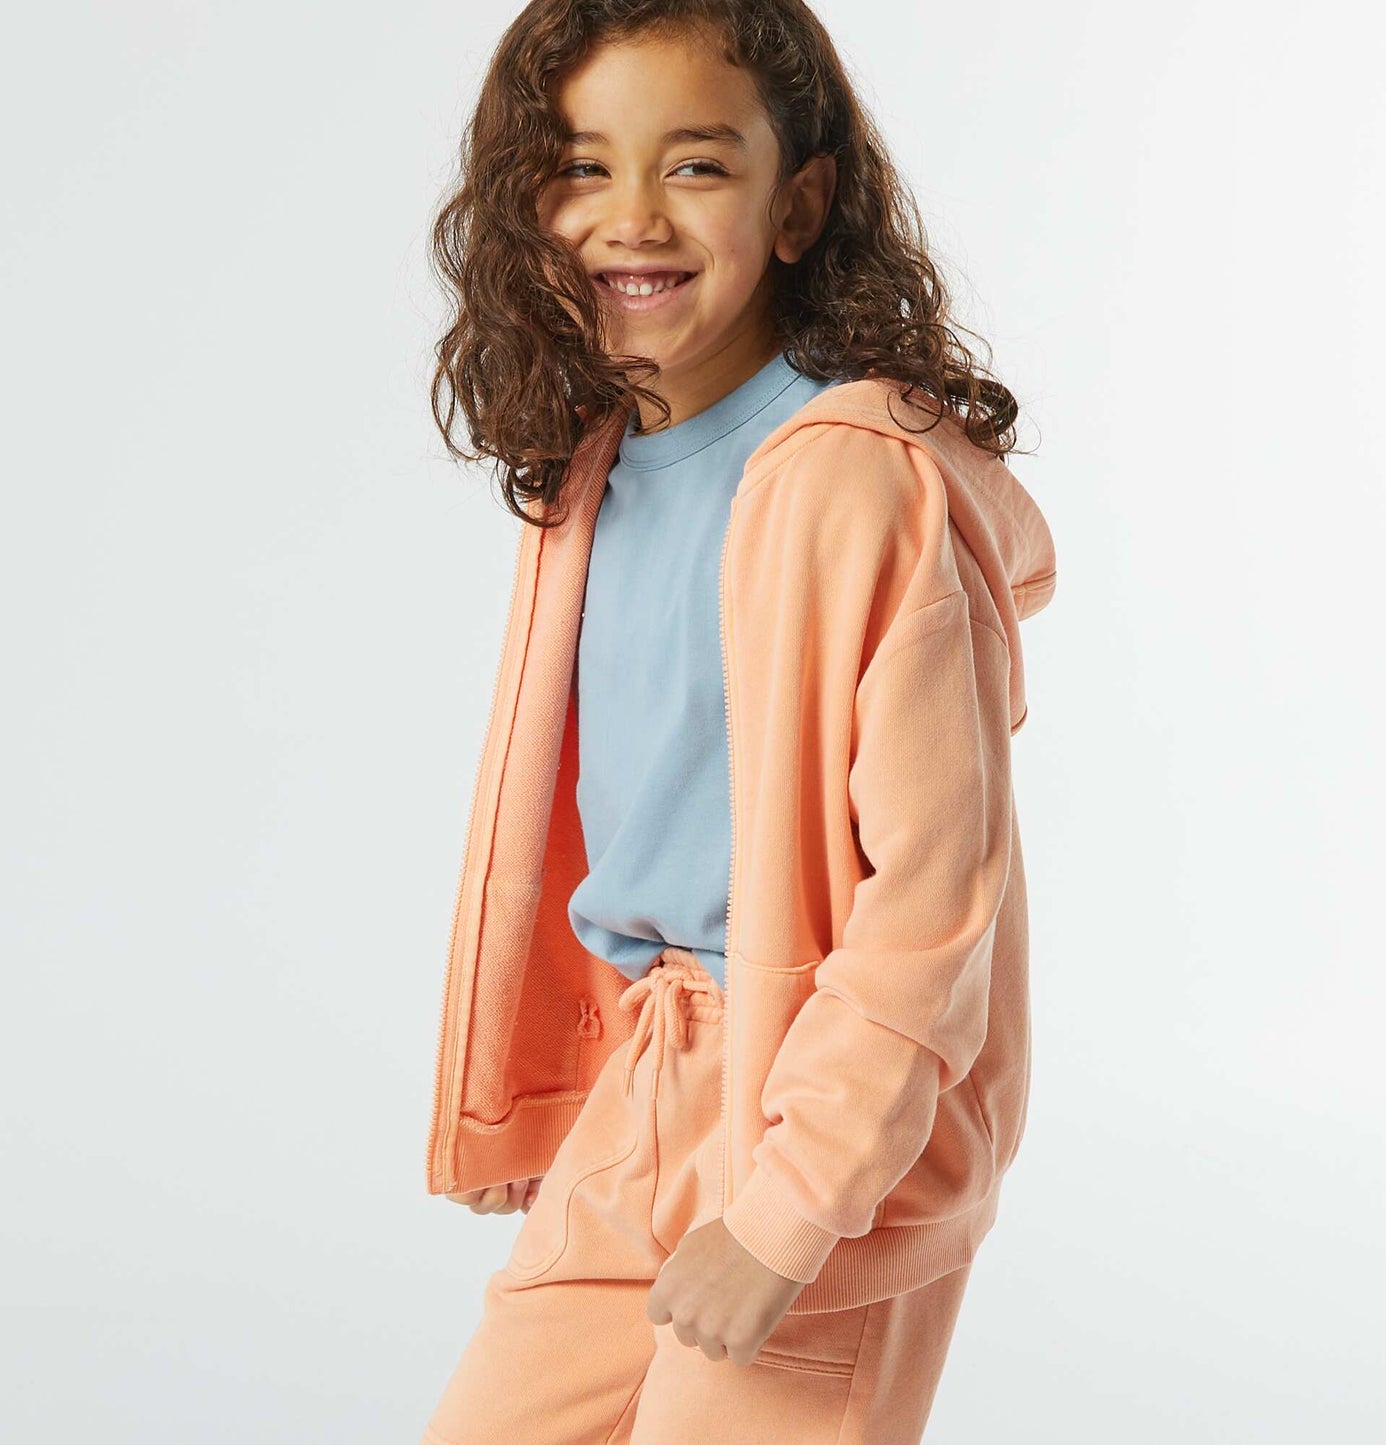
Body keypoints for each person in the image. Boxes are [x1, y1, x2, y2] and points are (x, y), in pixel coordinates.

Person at [419, 1, 1057, 1440]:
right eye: (581, 165)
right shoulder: (588, 472)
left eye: (696, 165)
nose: (632, 216)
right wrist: (555, 1084)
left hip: (823, 1106)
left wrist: (788, 1209)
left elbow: (935, 898)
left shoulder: (851, 479)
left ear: (799, 205)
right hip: (644, 1084)